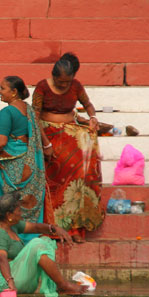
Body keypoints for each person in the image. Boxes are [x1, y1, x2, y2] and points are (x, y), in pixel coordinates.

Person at [32, 53, 104, 242]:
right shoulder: (42, 87)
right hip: (48, 135)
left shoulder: (76, 86)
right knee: (56, 178)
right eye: (61, 82)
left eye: (67, 82)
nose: (64, 86)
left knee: (82, 173)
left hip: (70, 134)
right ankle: (52, 227)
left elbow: (87, 104)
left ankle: (75, 228)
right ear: (54, 76)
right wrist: (46, 143)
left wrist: (93, 118)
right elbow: (35, 117)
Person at [0, 76, 51, 243]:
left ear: (14, 92)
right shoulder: (28, 109)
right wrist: (48, 146)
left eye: (2, 88)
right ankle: (28, 240)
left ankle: (3, 240)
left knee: (6, 204)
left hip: (10, 165)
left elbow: (0, 141)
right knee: (24, 203)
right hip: (29, 161)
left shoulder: (7, 112)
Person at [0, 192, 88, 297]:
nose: (21, 213)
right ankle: (62, 285)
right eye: (19, 210)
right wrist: (10, 282)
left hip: (12, 275)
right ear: (9, 215)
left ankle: (55, 284)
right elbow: (1, 259)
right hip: (1, 282)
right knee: (37, 244)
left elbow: (35, 227)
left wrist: (55, 229)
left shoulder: (11, 224)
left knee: (45, 240)